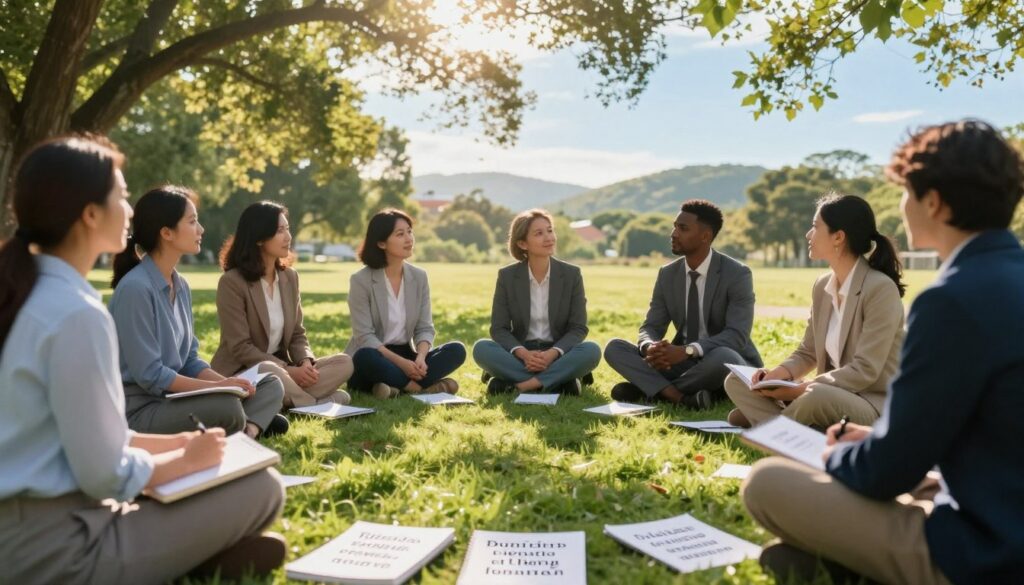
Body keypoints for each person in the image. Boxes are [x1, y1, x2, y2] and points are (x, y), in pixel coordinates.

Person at [742, 120, 1024, 584]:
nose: (902, 205)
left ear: (933, 201)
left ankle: (865, 566)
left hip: (989, 551)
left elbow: (887, 474)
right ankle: (849, 563)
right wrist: (874, 443)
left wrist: (833, 455)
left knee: (767, 484)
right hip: (994, 495)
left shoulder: (952, 300)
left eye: (907, 192)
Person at [0, 136, 286, 584]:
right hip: (57, 547)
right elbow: (104, 475)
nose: (130, 209)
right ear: (90, 214)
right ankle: (185, 557)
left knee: (242, 456)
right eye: (122, 195)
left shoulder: (27, 294)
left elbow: (98, 440)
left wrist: (181, 446)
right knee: (262, 488)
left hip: (32, 527)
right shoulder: (75, 312)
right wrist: (187, 463)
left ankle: (186, 554)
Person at [109, 186, 287, 438]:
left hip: (177, 399)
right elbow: (151, 375)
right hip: (141, 410)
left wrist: (226, 385)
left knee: (269, 382)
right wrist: (219, 388)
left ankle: (245, 428)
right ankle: (246, 423)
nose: (201, 229)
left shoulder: (180, 285)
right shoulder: (135, 290)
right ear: (166, 233)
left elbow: (189, 359)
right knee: (226, 406)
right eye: (192, 222)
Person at [724, 194, 906, 429]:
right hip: (824, 394)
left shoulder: (880, 288)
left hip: (870, 404)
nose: (808, 235)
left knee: (815, 397)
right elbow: (808, 352)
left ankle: (773, 430)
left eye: (815, 227)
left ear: (838, 237)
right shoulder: (822, 285)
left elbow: (865, 370)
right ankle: (790, 425)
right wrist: (777, 375)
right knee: (736, 381)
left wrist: (802, 389)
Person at [604, 199, 762, 409]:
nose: (673, 233)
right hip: (680, 364)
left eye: (683, 228)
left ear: (705, 236)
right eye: (674, 226)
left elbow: (736, 336)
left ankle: (650, 390)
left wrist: (688, 350)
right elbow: (651, 326)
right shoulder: (667, 274)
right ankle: (680, 397)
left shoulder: (737, 274)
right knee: (615, 348)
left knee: (723, 356)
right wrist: (650, 346)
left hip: (724, 361)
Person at [212, 201, 353, 408]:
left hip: (286, 369)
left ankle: (290, 399)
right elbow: (241, 347)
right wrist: (287, 369)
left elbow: (297, 333)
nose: (288, 237)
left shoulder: (289, 277)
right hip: (245, 372)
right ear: (259, 238)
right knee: (270, 369)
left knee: (344, 362)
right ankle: (314, 404)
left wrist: (305, 363)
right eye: (280, 231)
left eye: (288, 229)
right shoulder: (232, 282)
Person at [472, 209, 601, 395]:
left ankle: (521, 385)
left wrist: (552, 354)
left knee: (592, 350)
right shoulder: (507, 276)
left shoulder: (572, 275)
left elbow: (578, 328)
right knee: (481, 348)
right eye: (539, 233)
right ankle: (562, 382)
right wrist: (523, 354)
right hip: (521, 354)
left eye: (550, 230)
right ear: (523, 243)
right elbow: (498, 328)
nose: (549, 237)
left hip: (558, 353)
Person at [346, 208, 466, 398]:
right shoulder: (361, 280)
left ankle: (391, 387)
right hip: (377, 353)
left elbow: (425, 327)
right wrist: (403, 365)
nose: (409, 238)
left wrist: (420, 358)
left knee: (456, 350)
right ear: (381, 243)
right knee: (364, 357)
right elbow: (364, 336)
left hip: (406, 353)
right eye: (400, 234)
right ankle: (420, 389)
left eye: (410, 231)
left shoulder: (419, 277)